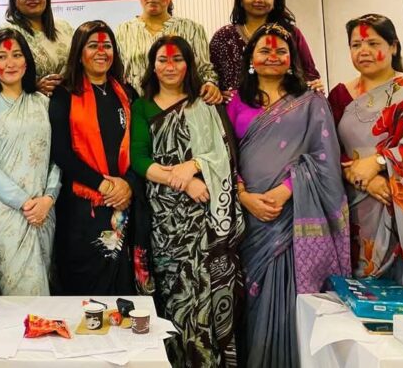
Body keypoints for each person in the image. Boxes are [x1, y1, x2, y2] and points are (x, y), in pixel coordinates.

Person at [229, 23, 350, 368]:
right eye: (264, 50)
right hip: (250, 218)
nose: (273, 56)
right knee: (255, 299)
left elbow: (324, 156)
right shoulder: (235, 101)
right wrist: (243, 196)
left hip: (294, 214)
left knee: (292, 300)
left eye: (281, 51)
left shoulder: (311, 101)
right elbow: (226, 154)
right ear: (250, 58)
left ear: (292, 58)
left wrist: (286, 191)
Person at [130, 36, 244, 367]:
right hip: (164, 222)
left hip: (204, 218)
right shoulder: (142, 106)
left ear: (189, 64)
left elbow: (225, 154)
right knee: (173, 298)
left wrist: (193, 166)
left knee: (205, 297)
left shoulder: (205, 103)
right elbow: (138, 159)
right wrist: (181, 181)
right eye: (163, 60)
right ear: (152, 66)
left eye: (177, 59)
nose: (170, 66)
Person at [328, 14, 403, 293]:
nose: (364, 51)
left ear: (393, 46)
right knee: (362, 290)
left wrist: (381, 161)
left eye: (373, 43)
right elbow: (326, 148)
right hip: (357, 207)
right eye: (356, 45)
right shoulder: (340, 96)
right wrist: (364, 178)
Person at [0, 29, 61, 295]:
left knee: (42, 288)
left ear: (27, 61)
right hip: (3, 213)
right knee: (19, 295)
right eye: (2, 57)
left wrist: (48, 198)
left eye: (17, 55)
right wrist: (25, 203)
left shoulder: (43, 103)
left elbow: (57, 158)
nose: (10, 63)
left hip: (43, 213)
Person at [48, 20, 139, 295]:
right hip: (81, 208)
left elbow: (139, 147)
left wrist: (128, 185)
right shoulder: (64, 95)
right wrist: (103, 184)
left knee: (121, 286)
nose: (101, 52)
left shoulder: (127, 94)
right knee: (85, 288)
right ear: (79, 53)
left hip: (123, 203)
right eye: (93, 46)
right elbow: (61, 152)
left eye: (107, 46)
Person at [116, 0, 222, 104]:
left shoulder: (193, 29)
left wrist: (210, 84)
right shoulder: (123, 31)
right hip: (136, 108)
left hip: (183, 107)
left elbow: (205, 71)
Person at [210, 0, 323, 93]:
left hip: (286, 102)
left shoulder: (290, 33)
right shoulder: (224, 36)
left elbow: (310, 74)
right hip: (236, 104)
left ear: (275, 1)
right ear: (241, 0)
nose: (259, 0)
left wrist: (314, 85)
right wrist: (217, 93)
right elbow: (211, 77)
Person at [1, 0, 74, 96]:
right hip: (29, 103)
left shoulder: (64, 27)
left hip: (70, 101)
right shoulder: (8, 32)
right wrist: (33, 87)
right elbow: (1, 74)